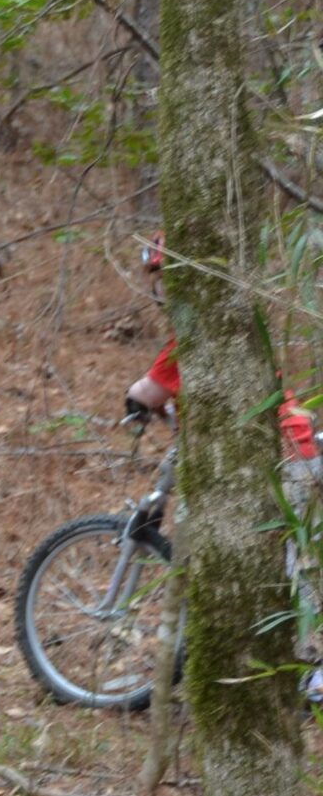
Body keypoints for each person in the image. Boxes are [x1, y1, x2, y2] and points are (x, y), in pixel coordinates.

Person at [124, 231, 323, 698]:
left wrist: (135, 404)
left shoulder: (193, 338)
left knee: (290, 562)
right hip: (283, 448)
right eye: (157, 280)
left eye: (166, 277)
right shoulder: (225, 326)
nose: (163, 290)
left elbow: (145, 392)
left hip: (286, 455)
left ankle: (314, 670)